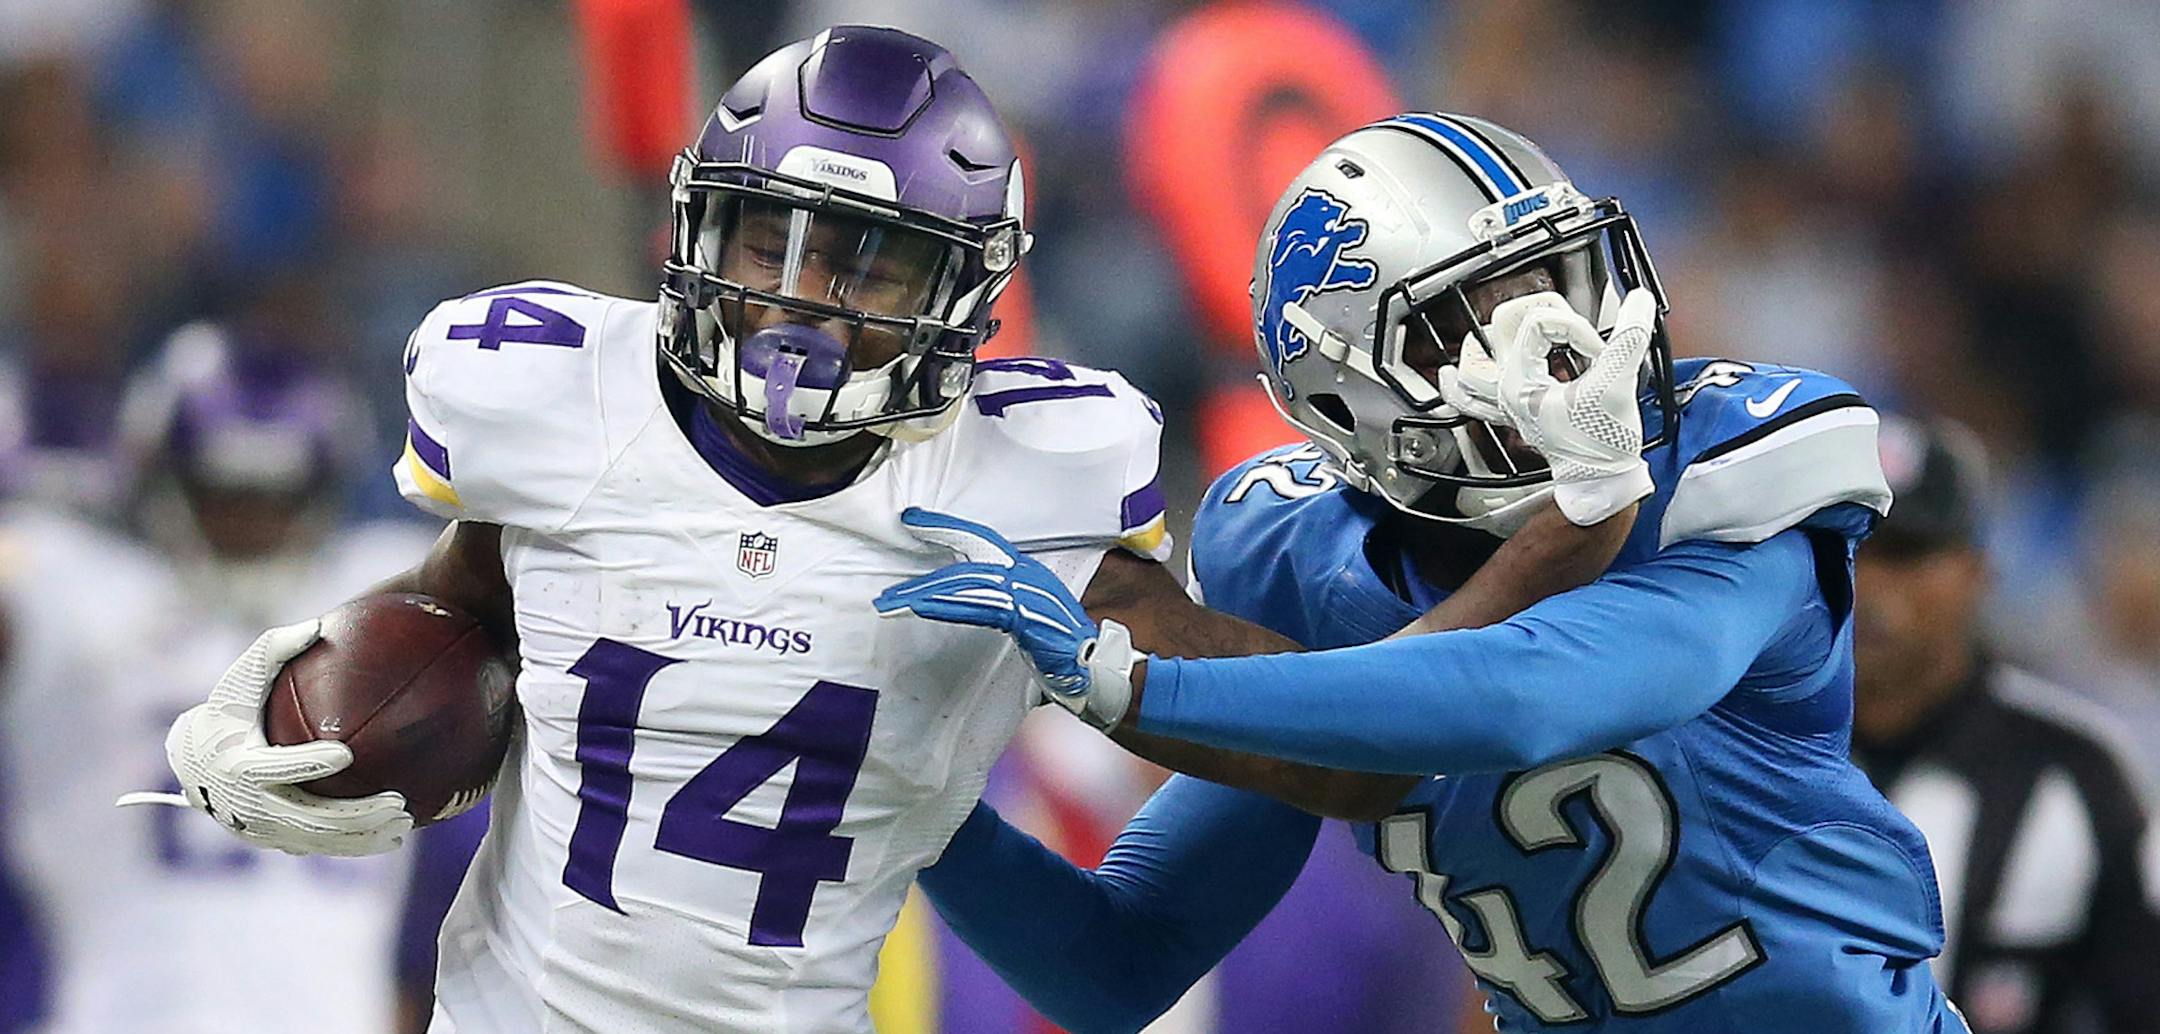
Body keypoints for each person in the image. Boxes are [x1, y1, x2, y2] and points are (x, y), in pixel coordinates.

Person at [142, 29, 1626, 1034]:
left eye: (864, 259)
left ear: (969, 295)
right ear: (694, 232)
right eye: (767, 241)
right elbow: (469, 606)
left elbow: (1327, 753)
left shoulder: (1026, 485)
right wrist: (315, 678)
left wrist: (1562, 530)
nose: (798, 298)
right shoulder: (549, 400)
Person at [883, 113, 1971, 1032]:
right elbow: (1115, 962)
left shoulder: (1722, 478)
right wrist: (914, 796)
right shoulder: (1304, 563)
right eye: (1488, 316)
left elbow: (1533, 694)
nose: (1571, 344)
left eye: (1566, 283)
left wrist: (1135, 681)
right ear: (1350, 394)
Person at [2, 329, 472, 1034]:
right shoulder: (80, 593)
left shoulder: (376, 596)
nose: (250, 524)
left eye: (275, 500)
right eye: (224, 497)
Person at [1851, 415, 2160, 1034]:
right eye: (1851, 550)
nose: (1875, 586)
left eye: (1910, 554)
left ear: (1978, 571)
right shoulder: (1738, 751)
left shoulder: (2080, 768)